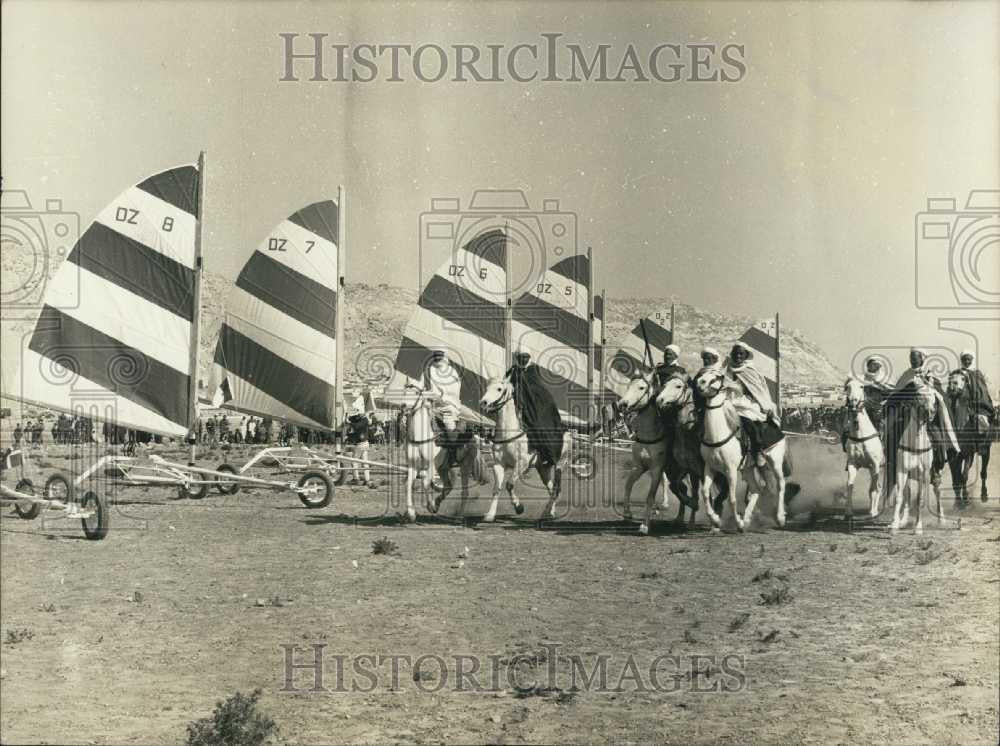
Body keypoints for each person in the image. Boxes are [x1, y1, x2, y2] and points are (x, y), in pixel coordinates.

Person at [882, 347, 958, 497]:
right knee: (891, 434)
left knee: (938, 439)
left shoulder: (930, 375)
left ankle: (936, 470)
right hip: (907, 415)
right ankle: (892, 464)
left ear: (923, 358)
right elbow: (896, 395)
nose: (913, 359)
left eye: (916, 356)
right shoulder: (906, 375)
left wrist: (929, 387)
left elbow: (939, 396)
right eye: (911, 356)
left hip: (927, 417)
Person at [505, 346, 564, 466]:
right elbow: (506, 382)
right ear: (517, 358)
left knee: (538, 425)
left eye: (526, 357)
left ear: (529, 358)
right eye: (521, 357)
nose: (524, 360)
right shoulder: (513, 370)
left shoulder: (533, 370)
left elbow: (535, 389)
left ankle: (546, 455)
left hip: (538, 404)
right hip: (519, 402)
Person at [725, 341, 781, 467]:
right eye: (736, 354)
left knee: (748, 422)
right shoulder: (727, 369)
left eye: (741, 354)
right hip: (728, 403)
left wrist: (765, 405)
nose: (738, 356)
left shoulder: (750, 371)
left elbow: (759, 391)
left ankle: (758, 451)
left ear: (746, 355)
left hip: (746, 405)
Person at [422, 348, 464, 464]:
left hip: (448, 406)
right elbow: (427, 388)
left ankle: (453, 456)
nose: (437, 359)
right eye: (436, 357)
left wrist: (438, 396)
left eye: (439, 357)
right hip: (432, 406)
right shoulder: (430, 370)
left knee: (449, 427)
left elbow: (453, 392)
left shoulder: (452, 372)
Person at [956, 350, 995, 431]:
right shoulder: (957, 373)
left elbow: (982, 390)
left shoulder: (977, 373)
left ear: (972, 360)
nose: (967, 361)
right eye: (964, 359)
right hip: (962, 404)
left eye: (969, 359)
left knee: (981, 422)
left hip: (977, 402)